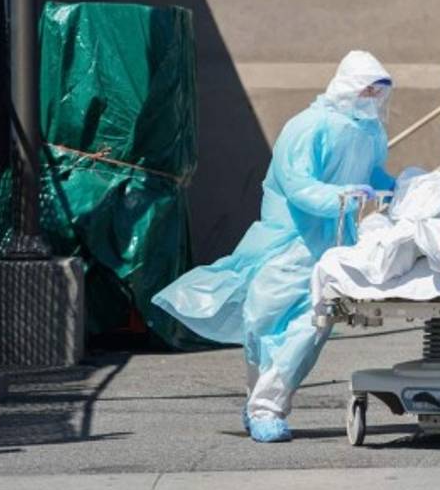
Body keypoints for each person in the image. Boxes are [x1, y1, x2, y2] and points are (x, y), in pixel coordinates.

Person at [153, 50, 396, 442]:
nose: (373, 98)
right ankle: (257, 401)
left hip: (333, 248)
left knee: (310, 328)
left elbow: (372, 174)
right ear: (349, 85)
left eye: (378, 91)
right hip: (289, 243)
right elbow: (297, 184)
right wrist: (340, 197)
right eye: (367, 89)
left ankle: (266, 408)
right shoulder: (309, 127)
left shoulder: (370, 133)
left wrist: (397, 186)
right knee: (263, 323)